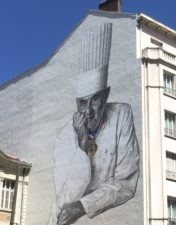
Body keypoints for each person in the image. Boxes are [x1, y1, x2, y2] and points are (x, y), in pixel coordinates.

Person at [48, 23, 140, 225]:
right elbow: (65, 200)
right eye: (82, 102)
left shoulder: (121, 114)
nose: (88, 111)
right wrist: (82, 145)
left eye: (95, 100)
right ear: (76, 103)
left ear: (106, 95)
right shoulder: (65, 135)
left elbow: (126, 182)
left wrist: (84, 205)